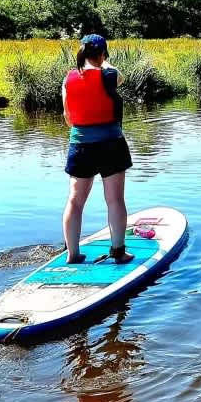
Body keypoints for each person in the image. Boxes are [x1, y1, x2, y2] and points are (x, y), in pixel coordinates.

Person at [61, 34, 135, 265]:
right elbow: (118, 77)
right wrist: (103, 62)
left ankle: (72, 254)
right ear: (103, 54)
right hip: (111, 145)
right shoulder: (110, 74)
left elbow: (68, 118)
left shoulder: (67, 80)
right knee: (114, 200)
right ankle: (118, 252)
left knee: (75, 200)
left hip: (81, 146)